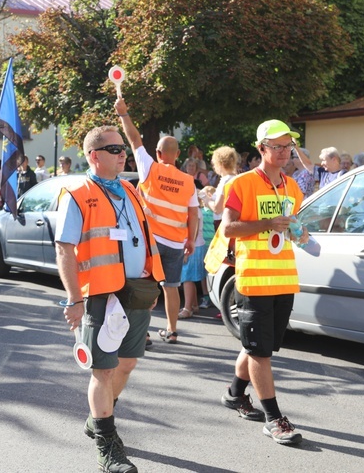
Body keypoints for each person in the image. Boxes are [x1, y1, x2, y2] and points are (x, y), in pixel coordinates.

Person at [56, 124, 164, 473]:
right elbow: (65, 249)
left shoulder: (130, 190)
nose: (123, 155)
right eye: (115, 150)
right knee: (103, 370)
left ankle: (99, 415)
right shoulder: (77, 192)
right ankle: (107, 444)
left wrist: (153, 283)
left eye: (123, 149)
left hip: (136, 290)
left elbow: (145, 239)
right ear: (94, 156)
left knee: (127, 362)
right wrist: (74, 300)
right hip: (100, 293)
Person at [220, 119, 309, 445]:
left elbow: (295, 229)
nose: (285, 152)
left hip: (284, 280)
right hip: (254, 281)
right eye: (278, 146)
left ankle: (233, 394)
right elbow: (228, 229)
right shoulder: (242, 184)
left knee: (258, 348)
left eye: (288, 146)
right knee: (260, 354)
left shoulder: (292, 186)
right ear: (261, 149)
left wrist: (302, 234)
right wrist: (267, 223)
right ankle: (274, 419)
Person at [116, 97, 198, 341]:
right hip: (175, 243)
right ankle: (172, 331)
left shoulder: (150, 168)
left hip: (150, 241)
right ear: (178, 154)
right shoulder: (188, 181)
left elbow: (134, 139)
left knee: (145, 285)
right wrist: (190, 241)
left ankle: (144, 335)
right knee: (171, 287)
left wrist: (123, 114)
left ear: (158, 153)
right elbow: (193, 213)